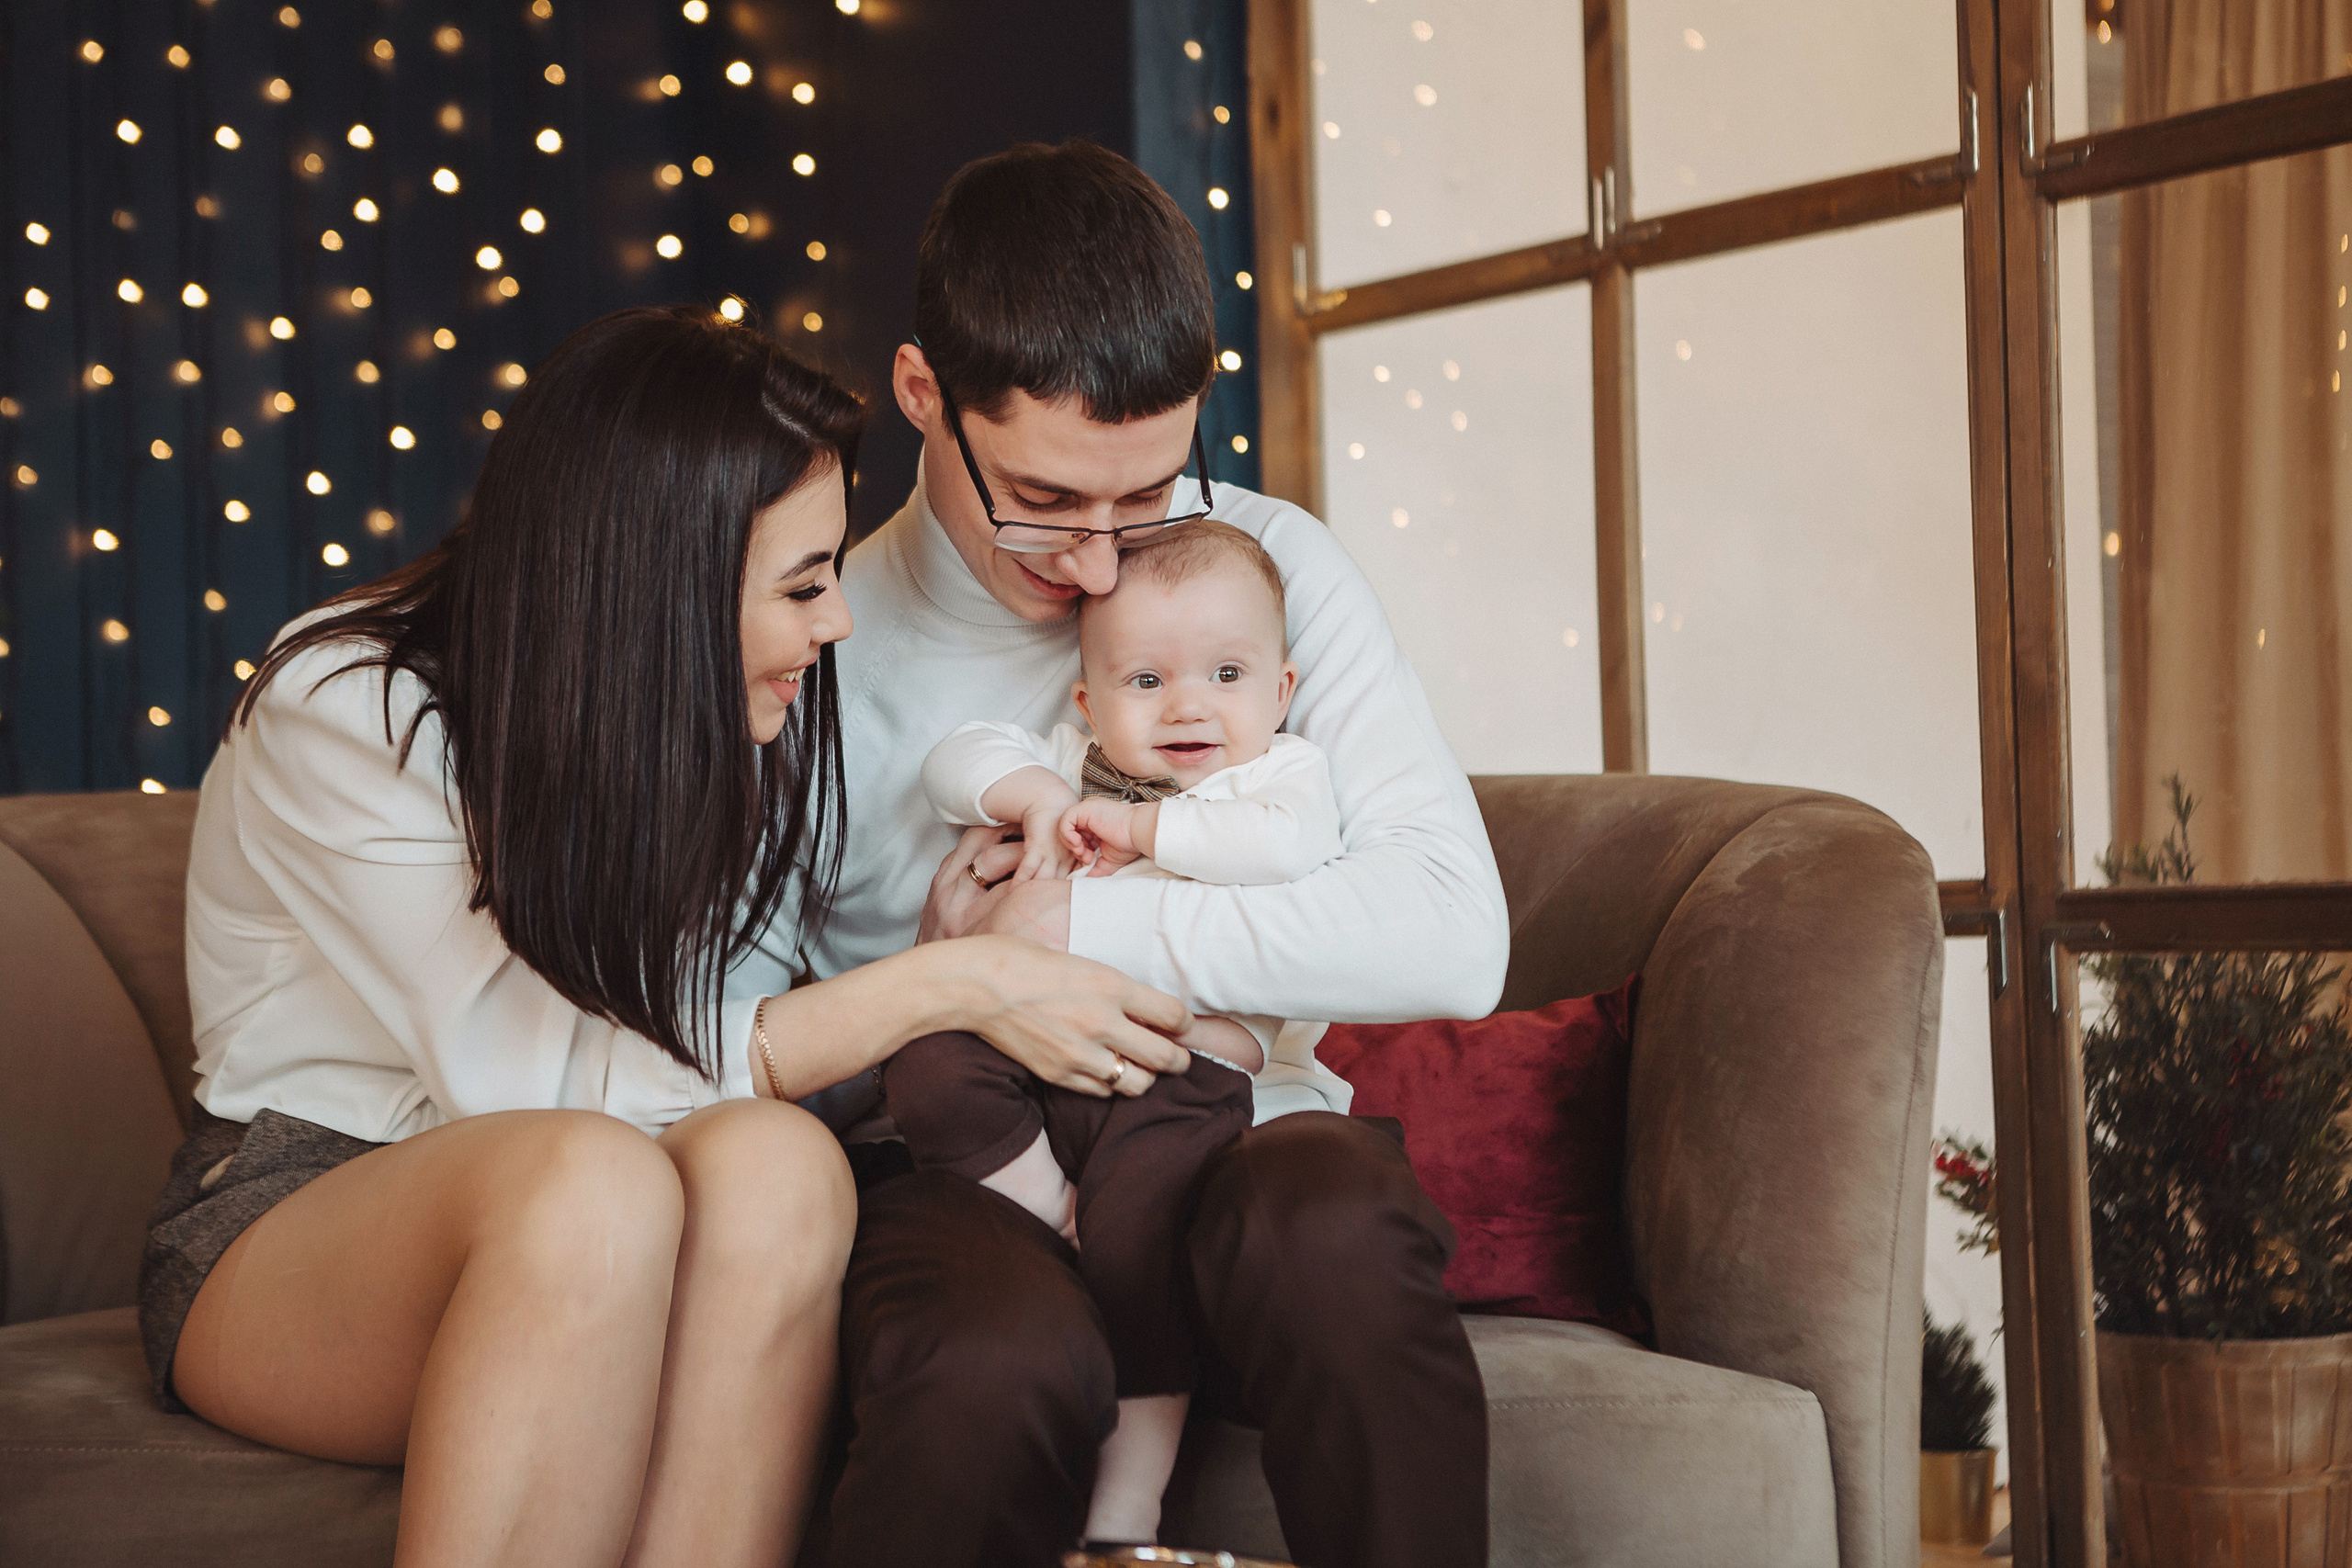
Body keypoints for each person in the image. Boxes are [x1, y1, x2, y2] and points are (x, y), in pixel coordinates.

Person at [144, 305, 1195, 1568]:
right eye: (805, 584)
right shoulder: (347, 703)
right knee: (589, 1182)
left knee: (775, 1162)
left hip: (613, 1185)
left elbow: (712, 1051)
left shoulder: (699, 722)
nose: (838, 623)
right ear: (662, 573)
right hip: (304, 1202)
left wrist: (935, 944)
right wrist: (950, 981)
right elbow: (532, 1079)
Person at [768, 141, 1510, 1567]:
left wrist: (1060, 943)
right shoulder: (816, 635)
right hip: (963, 1172)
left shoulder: (1266, 566)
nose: (1103, 565)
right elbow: (742, 1040)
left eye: (1153, 491)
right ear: (924, 395)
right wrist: (953, 990)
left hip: (1237, 1125)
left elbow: (1448, 932)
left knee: (1339, 1229)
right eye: (1048, 501)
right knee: (993, 1355)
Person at [892, 520, 1344, 1544]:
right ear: (1089, 702)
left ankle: (1126, 1497)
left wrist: (1139, 831)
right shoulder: (1078, 767)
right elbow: (954, 758)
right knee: (923, 1056)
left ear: (1279, 692)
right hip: (1035, 1059)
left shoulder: (1277, 780)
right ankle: (1050, 1219)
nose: (1188, 703)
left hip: (1178, 1077)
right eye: (1145, 682)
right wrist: (1041, 796)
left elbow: (1282, 848)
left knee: (1144, 1225)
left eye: (1227, 673)